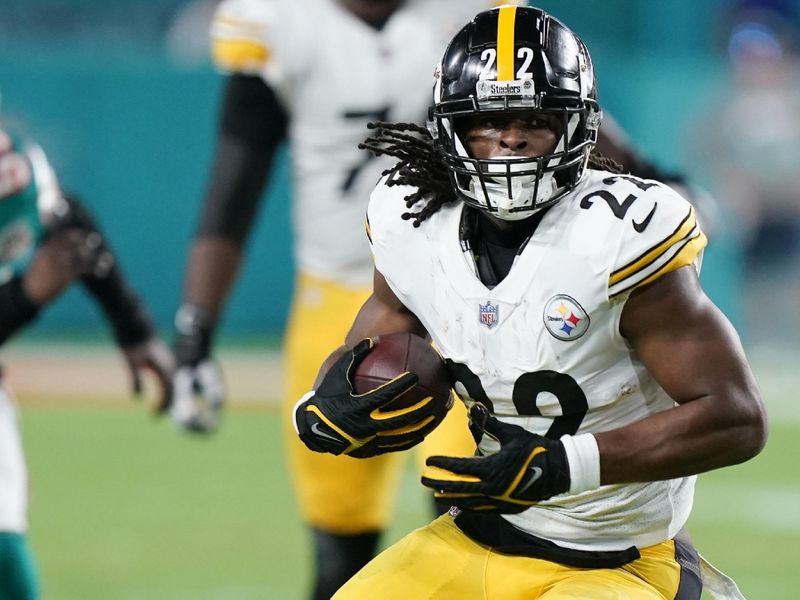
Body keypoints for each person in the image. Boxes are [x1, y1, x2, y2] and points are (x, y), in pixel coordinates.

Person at [293, 5, 767, 599]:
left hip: (610, 560)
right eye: (487, 120)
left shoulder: (620, 236)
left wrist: (565, 464)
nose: (511, 136)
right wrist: (328, 398)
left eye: (534, 119)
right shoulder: (412, 217)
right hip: (476, 536)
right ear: (450, 129)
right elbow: (381, 330)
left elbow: (737, 418)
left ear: (577, 129)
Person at [167, 1, 525, 597]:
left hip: (459, 288)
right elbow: (236, 180)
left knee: (474, 513)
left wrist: (649, 172)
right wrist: (194, 331)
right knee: (340, 545)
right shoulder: (278, 21)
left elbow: (550, 113)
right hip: (334, 293)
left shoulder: (470, 13)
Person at [0, 125, 173, 600]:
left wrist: (131, 324)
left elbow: (66, 223)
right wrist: (23, 298)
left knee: (4, 546)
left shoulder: (13, 167)